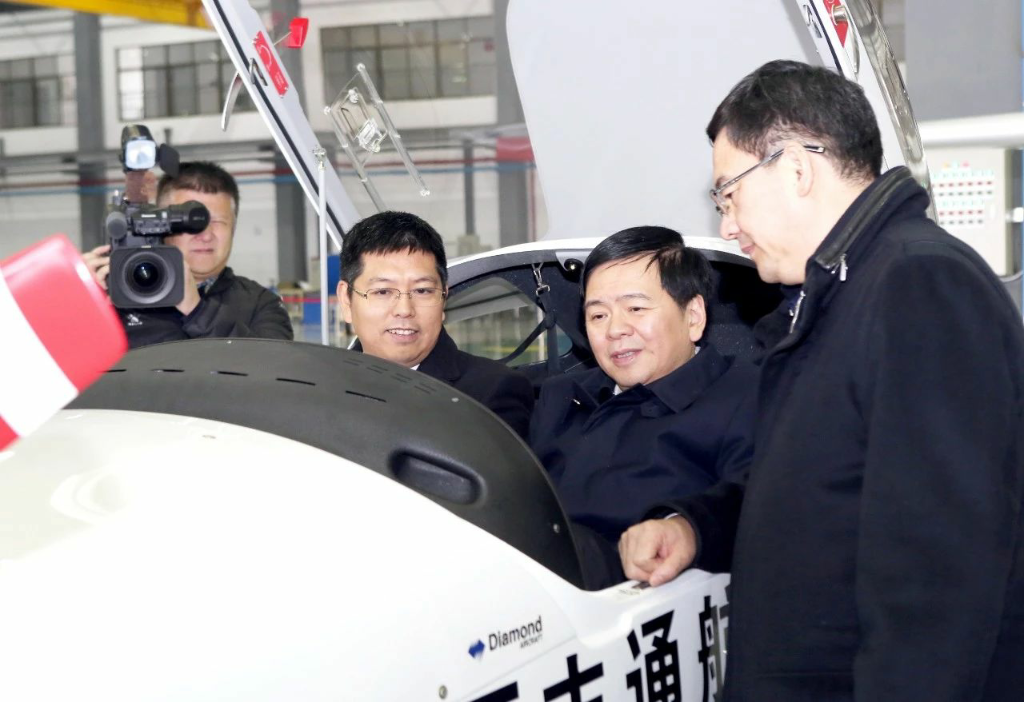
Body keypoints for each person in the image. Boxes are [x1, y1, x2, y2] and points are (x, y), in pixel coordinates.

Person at [619, 60, 1024, 701]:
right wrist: (696, 527)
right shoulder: (841, 294)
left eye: (729, 193)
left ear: (796, 169)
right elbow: (816, 486)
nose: (727, 225)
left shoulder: (918, 283)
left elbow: (938, 566)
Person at [529, 226, 756, 588]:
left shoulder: (749, 394)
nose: (615, 329)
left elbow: (761, 501)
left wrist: (686, 528)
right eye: (598, 316)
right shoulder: (561, 396)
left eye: (635, 308)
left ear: (693, 316)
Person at [338, 211, 533, 439]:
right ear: (346, 301)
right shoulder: (321, 387)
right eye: (382, 291)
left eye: (422, 291)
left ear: (443, 298)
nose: (404, 309)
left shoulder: (490, 393)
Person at [83, 161, 293, 348]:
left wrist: (198, 310)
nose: (205, 235)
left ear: (234, 228)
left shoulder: (261, 304)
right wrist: (75, 300)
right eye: (190, 222)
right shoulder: (115, 299)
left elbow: (273, 369)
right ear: (158, 225)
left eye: (218, 222)